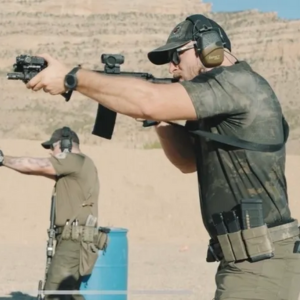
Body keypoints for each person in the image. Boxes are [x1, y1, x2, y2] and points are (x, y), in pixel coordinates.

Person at [24, 13, 300, 300]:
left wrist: (73, 78)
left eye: (176, 57)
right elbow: (187, 161)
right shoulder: (219, 101)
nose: (172, 68)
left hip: (261, 260)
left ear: (208, 46)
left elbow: (149, 101)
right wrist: (159, 121)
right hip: (248, 260)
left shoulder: (238, 83)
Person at [0, 126, 100, 300]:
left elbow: (35, 164)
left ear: (65, 144)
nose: (51, 154)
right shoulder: (79, 166)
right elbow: (34, 169)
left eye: (52, 148)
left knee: (54, 293)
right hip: (74, 240)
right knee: (68, 294)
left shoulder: (73, 160)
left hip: (73, 242)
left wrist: (3, 159)